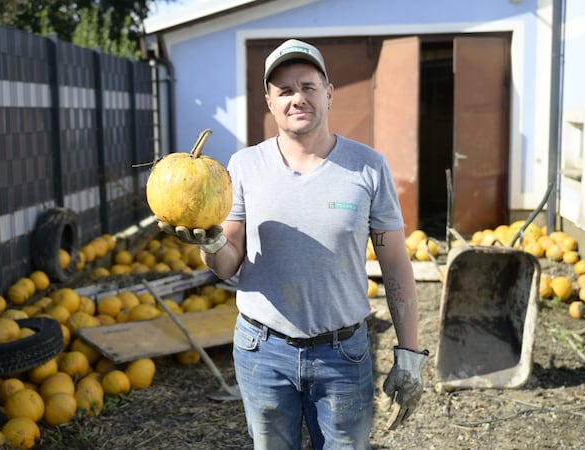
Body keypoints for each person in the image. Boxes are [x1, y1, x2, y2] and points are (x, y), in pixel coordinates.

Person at [158, 38, 428, 449]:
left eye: (308, 86)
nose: (297, 98)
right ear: (269, 101)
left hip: (343, 353)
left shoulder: (368, 166)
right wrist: (211, 243)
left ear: (329, 93)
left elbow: (395, 266)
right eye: (284, 90)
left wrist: (409, 353)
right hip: (262, 351)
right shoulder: (243, 166)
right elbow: (228, 264)